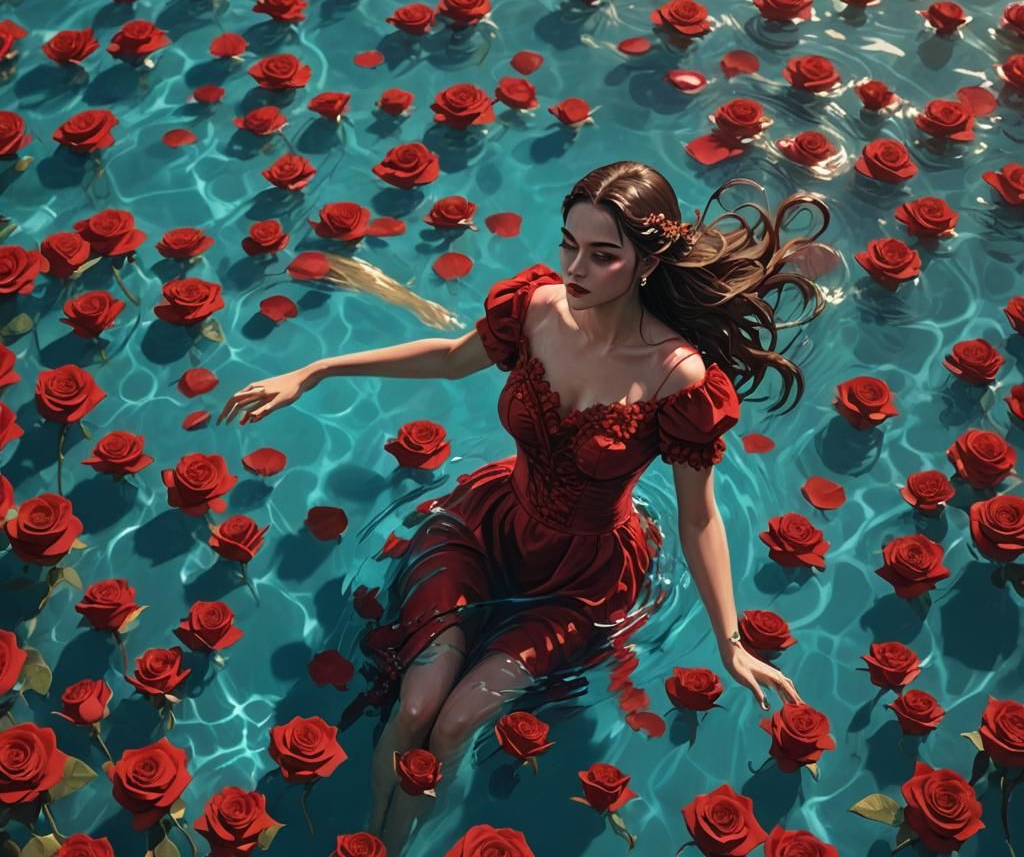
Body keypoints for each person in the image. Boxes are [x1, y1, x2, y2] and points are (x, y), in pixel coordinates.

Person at [217, 162, 831, 855]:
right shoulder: (535, 307)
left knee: (455, 722)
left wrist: (730, 640)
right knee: (416, 704)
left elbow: (698, 518)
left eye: (602, 255)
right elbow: (451, 357)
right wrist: (316, 369)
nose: (575, 267)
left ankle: (402, 843)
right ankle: (367, 842)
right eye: (569, 244)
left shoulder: (678, 376)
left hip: (583, 575)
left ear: (647, 261)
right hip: (484, 525)